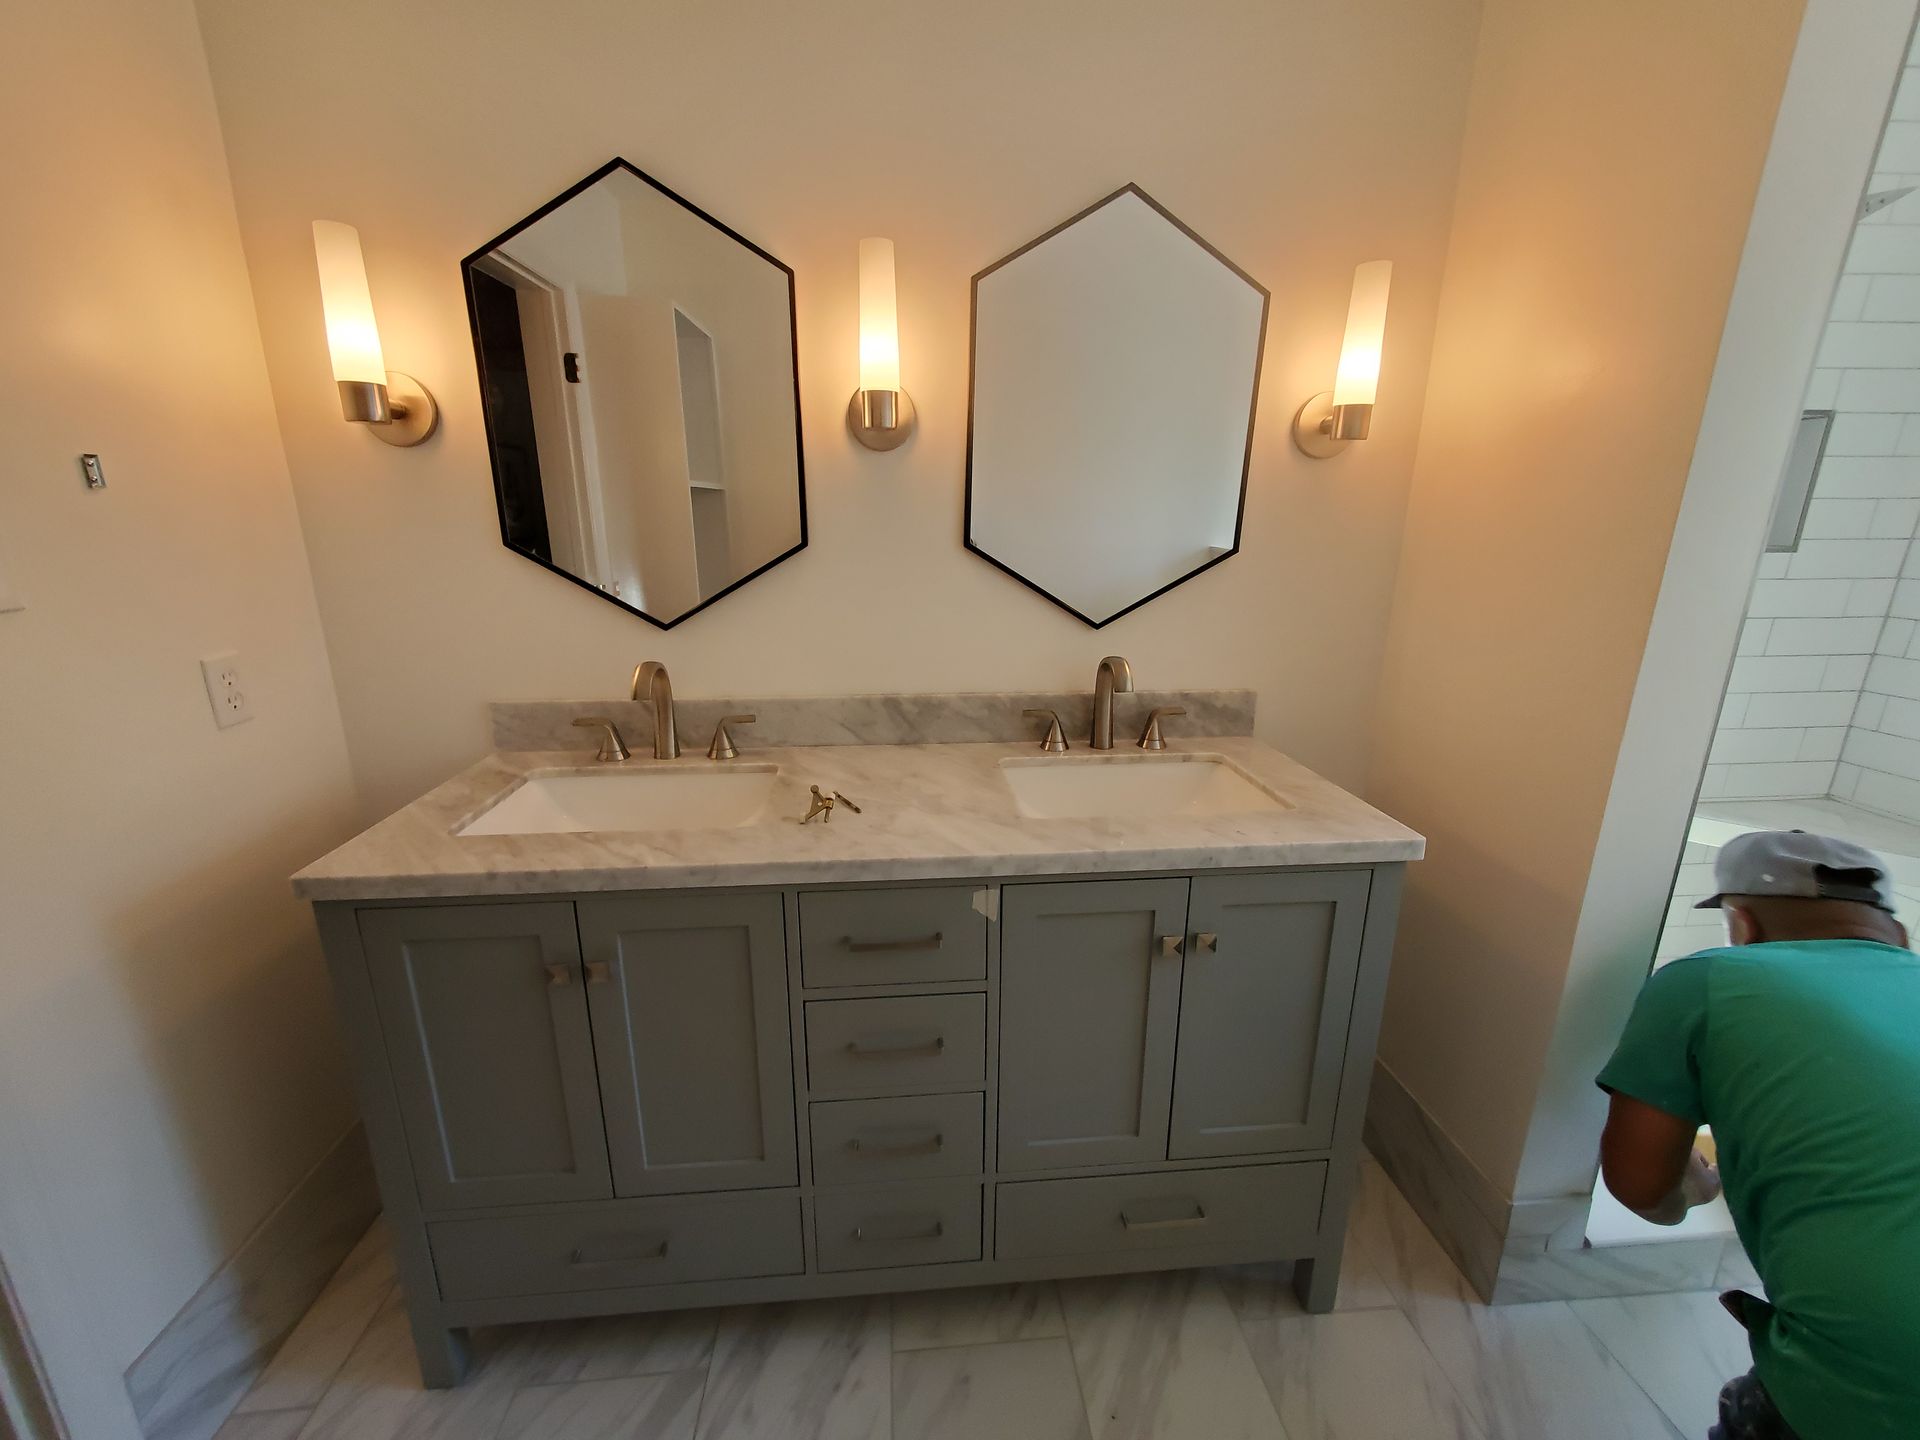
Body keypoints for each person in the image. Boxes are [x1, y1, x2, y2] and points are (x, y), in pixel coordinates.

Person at [1597, 830, 1920, 1440]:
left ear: (1741, 925)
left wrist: (1685, 1194)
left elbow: (1640, 1188)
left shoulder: (1708, 979)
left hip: (1880, 1387)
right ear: (1897, 936)